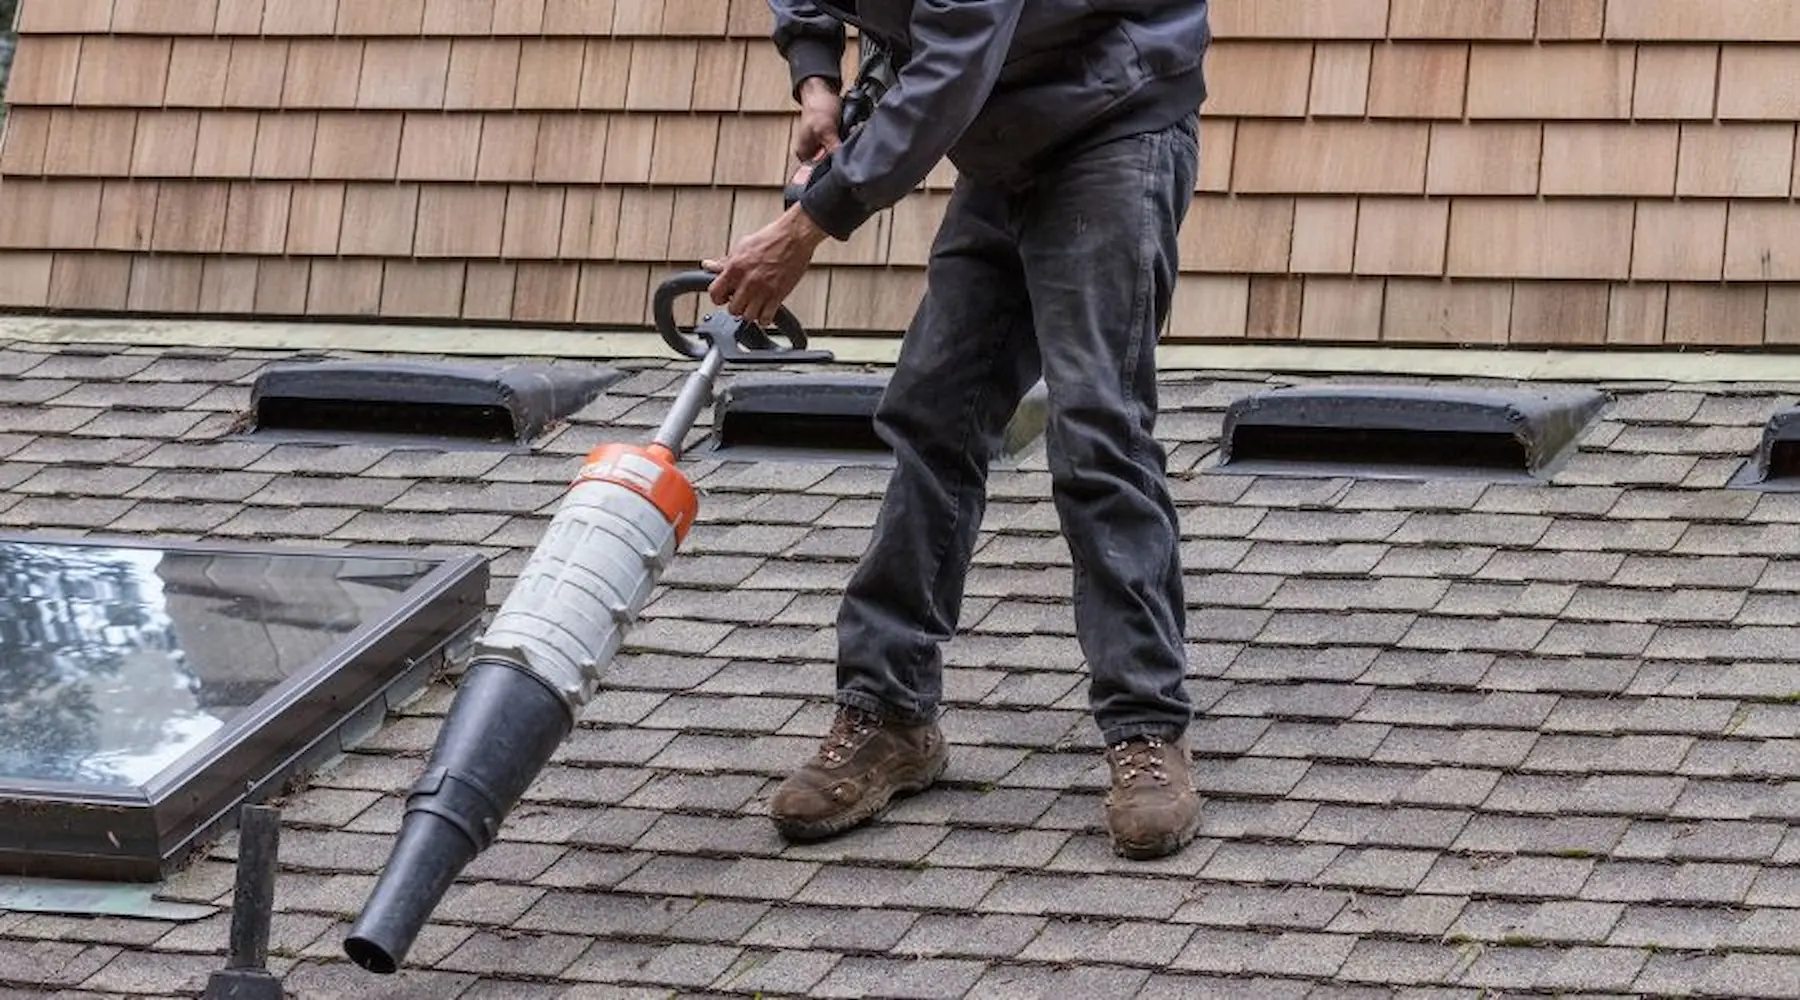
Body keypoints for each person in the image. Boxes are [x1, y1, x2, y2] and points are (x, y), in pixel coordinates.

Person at [701, 0, 1211, 861]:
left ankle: (1147, 730)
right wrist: (818, 76)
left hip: (1111, 121)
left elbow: (950, 61)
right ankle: (890, 713)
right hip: (998, 138)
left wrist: (807, 224)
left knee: (1096, 429)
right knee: (932, 414)